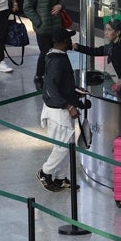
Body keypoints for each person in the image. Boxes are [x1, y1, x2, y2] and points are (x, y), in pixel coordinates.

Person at [37, 26, 87, 193]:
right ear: (63, 42)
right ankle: (45, 172)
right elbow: (51, 88)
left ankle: (60, 178)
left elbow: (59, 84)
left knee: (69, 145)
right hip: (58, 112)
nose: (71, 40)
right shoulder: (57, 61)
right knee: (63, 146)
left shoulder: (57, 57)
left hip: (60, 109)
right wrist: (69, 105)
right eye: (69, 38)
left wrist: (73, 90)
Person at [74, 19, 121, 105]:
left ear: (118, 32)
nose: (106, 33)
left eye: (109, 30)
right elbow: (95, 51)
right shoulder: (112, 46)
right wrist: (77, 47)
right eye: (106, 30)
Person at [23, 0, 65, 89]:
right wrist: (39, 22)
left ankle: (54, 76)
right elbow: (27, 7)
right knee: (45, 53)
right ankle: (39, 77)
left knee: (57, 53)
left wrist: (60, 5)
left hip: (56, 26)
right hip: (43, 28)